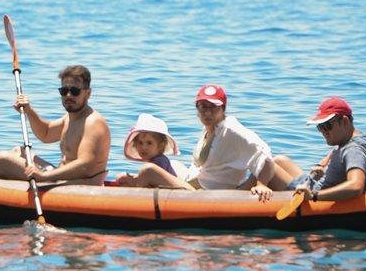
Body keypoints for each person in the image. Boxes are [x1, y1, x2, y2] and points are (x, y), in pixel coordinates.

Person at [125, 84, 298, 201]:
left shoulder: (230, 130)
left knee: (148, 170)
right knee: (127, 178)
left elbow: (264, 155)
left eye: (212, 107)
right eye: (202, 107)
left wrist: (261, 185)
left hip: (205, 194)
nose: (207, 113)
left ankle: (137, 206)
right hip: (195, 183)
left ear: (223, 108)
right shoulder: (210, 129)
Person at [0, 65, 111, 185]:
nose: (68, 95)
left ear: (88, 93)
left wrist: (43, 176)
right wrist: (29, 111)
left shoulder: (92, 123)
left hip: (79, 185)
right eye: (64, 91)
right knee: (18, 152)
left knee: (1, 160)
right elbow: (46, 133)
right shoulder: (70, 118)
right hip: (61, 178)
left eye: (75, 91)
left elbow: (85, 165)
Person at [285, 96, 366, 203]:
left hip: (311, 193)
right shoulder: (346, 140)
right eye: (320, 127)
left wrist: (313, 196)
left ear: (345, 121)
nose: (323, 131)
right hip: (313, 183)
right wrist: (321, 166)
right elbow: (335, 153)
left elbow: (356, 186)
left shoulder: (354, 150)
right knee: (280, 160)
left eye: (327, 126)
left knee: (272, 168)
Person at [114, 113, 184, 187]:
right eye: (140, 143)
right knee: (122, 178)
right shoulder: (154, 160)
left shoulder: (160, 161)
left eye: (149, 143)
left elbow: (155, 182)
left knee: (124, 178)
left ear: (160, 146)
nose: (144, 147)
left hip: (171, 194)